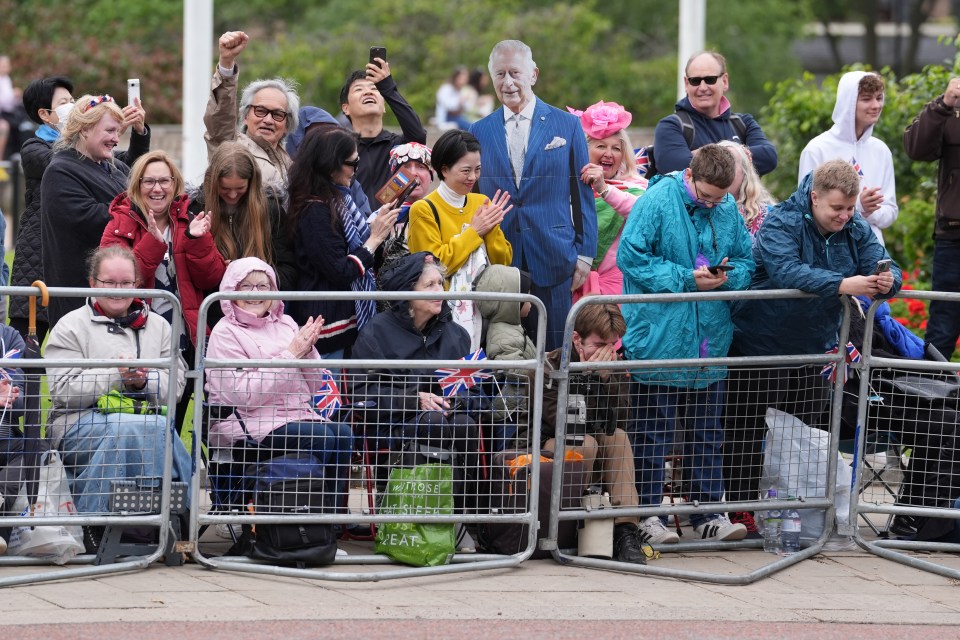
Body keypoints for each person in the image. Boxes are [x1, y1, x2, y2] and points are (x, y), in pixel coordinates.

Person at [726, 160, 901, 530]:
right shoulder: (782, 221)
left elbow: (883, 262)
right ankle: (741, 507)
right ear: (815, 196)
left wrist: (887, 279)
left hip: (818, 346)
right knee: (748, 430)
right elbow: (786, 270)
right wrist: (843, 284)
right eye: (837, 208)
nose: (845, 215)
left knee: (807, 431)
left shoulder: (854, 227)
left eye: (850, 208)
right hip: (761, 342)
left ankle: (798, 512)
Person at [617, 144, 755, 545]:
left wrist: (727, 278)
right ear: (691, 176)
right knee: (653, 433)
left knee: (707, 431)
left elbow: (747, 261)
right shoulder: (657, 200)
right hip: (659, 337)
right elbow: (632, 258)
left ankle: (708, 511)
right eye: (708, 196)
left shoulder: (727, 207)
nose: (714, 203)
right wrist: (685, 278)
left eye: (722, 196)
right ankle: (649, 514)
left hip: (709, 340)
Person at [44, 246, 192, 521]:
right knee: (138, 430)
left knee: (149, 428)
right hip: (75, 423)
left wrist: (144, 381)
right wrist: (117, 376)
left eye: (125, 282)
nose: (118, 289)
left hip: (141, 420)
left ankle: (158, 523)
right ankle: (102, 524)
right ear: (92, 283)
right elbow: (63, 391)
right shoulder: (70, 326)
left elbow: (177, 388)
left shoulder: (160, 326)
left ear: (136, 283)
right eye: (109, 282)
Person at [470, 39, 598, 350]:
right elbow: (472, 196)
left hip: (554, 256)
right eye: (500, 74)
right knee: (505, 352)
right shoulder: (477, 131)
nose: (508, 82)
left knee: (554, 350)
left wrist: (584, 254)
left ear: (533, 75)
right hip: (500, 259)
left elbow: (582, 197)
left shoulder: (566, 126)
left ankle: (553, 400)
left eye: (515, 72)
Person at [204, 258, 354, 513]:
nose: (255, 293)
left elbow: (314, 386)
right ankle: (309, 516)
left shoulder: (286, 324)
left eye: (263, 286)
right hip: (245, 424)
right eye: (246, 286)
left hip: (295, 415)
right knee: (321, 438)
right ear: (232, 291)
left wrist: (307, 351)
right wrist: (291, 354)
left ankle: (332, 522)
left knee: (342, 434)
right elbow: (246, 395)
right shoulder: (225, 332)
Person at [12, 78, 149, 342]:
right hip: (42, 259)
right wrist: (138, 211)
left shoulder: (107, 164)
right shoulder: (43, 153)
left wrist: (140, 133)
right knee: (30, 346)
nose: (114, 138)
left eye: (73, 102)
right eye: (64, 103)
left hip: (96, 272)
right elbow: (82, 198)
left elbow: (131, 165)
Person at [350, 252, 482, 521]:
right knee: (432, 420)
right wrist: (414, 400)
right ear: (407, 292)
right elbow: (363, 394)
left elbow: (476, 392)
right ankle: (422, 514)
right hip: (394, 424)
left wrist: (456, 401)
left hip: (443, 418)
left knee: (465, 424)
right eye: (429, 285)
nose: (440, 292)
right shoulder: (376, 333)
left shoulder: (456, 334)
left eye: (440, 284)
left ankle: (458, 517)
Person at [538, 303, 646, 564]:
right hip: (548, 447)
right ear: (577, 339)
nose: (607, 353)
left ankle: (625, 532)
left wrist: (605, 382)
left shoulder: (613, 368)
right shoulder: (549, 366)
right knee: (583, 442)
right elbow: (560, 421)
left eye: (612, 345)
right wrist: (587, 378)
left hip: (594, 446)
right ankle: (567, 524)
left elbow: (622, 420)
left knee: (618, 438)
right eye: (599, 345)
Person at [286, 127, 399, 357]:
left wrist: (377, 232)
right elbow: (340, 269)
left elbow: (360, 253)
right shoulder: (314, 210)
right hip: (326, 328)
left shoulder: (340, 200)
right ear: (330, 166)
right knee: (328, 392)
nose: (356, 171)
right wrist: (374, 238)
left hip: (345, 323)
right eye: (352, 164)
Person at [40, 95, 147, 327]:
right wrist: (143, 209)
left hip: (113, 295)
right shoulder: (60, 171)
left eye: (118, 132)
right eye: (110, 131)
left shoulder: (112, 167)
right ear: (85, 129)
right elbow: (91, 219)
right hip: (79, 301)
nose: (116, 139)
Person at [101, 150, 225, 348]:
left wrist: (196, 241)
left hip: (186, 337)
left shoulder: (190, 222)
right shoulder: (118, 225)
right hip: (135, 337)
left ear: (174, 185)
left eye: (164, 181)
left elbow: (210, 279)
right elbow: (116, 281)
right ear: (137, 185)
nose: (157, 189)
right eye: (149, 181)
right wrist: (152, 243)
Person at [407, 129, 513, 348]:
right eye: (466, 170)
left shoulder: (481, 202)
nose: (473, 177)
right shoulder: (423, 209)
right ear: (444, 170)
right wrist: (475, 232)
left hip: (484, 310)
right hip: (443, 316)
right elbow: (435, 265)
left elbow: (503, 261)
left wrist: (490, 229)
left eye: (477, 169)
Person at [799, 71, 897, 245]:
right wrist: (857, 205)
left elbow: (890, 212)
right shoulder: (817, 149)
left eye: (879, 98)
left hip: (872, 249)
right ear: (848, 102)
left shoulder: (881, 150)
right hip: (828, 250)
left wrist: (869, 211)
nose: (876, 105)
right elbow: (805, 207)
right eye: (866, 99)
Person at [903, 77, 960, 359]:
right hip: (954, 236)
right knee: (943, 329)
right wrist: (944, 104)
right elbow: (916, 148)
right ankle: (932, 401)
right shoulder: (950, 107)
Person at [188, 142, 293, 293]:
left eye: (240, 188)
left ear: (251, 183)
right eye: (224, 188)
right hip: (214, 307)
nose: (232, 195)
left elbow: (287, 267)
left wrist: (258, 283)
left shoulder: (270, 210)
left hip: (258, 307)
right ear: (213, 182)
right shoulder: (198, 209)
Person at [652, 51, 777, 177]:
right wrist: (742, 155)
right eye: (695, 81)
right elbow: (676, 167)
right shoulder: (670, 126)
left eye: (710, 79)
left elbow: (769, 157)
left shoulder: (744, 123)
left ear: (725, 81)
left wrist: (701, 154)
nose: (702, 87)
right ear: (686, 84)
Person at [570, 100, 647, 298]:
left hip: (617, 291)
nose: (608, 154)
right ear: (583, 149)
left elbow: (644, 213)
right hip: (570, 286)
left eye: (616, 149)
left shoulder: (636, 187)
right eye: (601, 146)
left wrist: (604, 189)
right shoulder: (565, 188)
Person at [204, 31, 298, 190]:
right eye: (261, 111)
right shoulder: (231, 146)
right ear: (246, 115)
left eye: (277, 114)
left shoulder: (290, 165)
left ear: (287, 124)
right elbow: (220, 117)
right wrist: (226, 63)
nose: (268, 120)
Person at [339, 54, 427, 206]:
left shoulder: (398, 147)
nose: (368, 92)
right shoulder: (340, 150)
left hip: (394, 226)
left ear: (384, 105)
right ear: (345, 108)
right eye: (359, 89)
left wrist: (387, 87)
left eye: (374, 89)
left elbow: (418, 137)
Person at [377, 141, 435, 288]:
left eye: (421, 167)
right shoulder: (379, 216)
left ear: (431, 175)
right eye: (405, 167)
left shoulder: (440, 211)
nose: (413, 172)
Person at [718, 140, 775, 237]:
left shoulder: (772, 218)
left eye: (730, 164)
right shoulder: (695, 212)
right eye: (718, 164)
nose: (723, 171)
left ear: (745, 172)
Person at [435, 66, 470, 130]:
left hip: (459, 118)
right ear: (455, 78)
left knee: (472, 124)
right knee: (469, 127)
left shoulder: (462, 90)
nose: (463, 81)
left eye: (465, 79)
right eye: (461, 78)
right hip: (447, 119)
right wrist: (459, 101)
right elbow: (449, 106)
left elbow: (467, 108)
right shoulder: (446, 89)